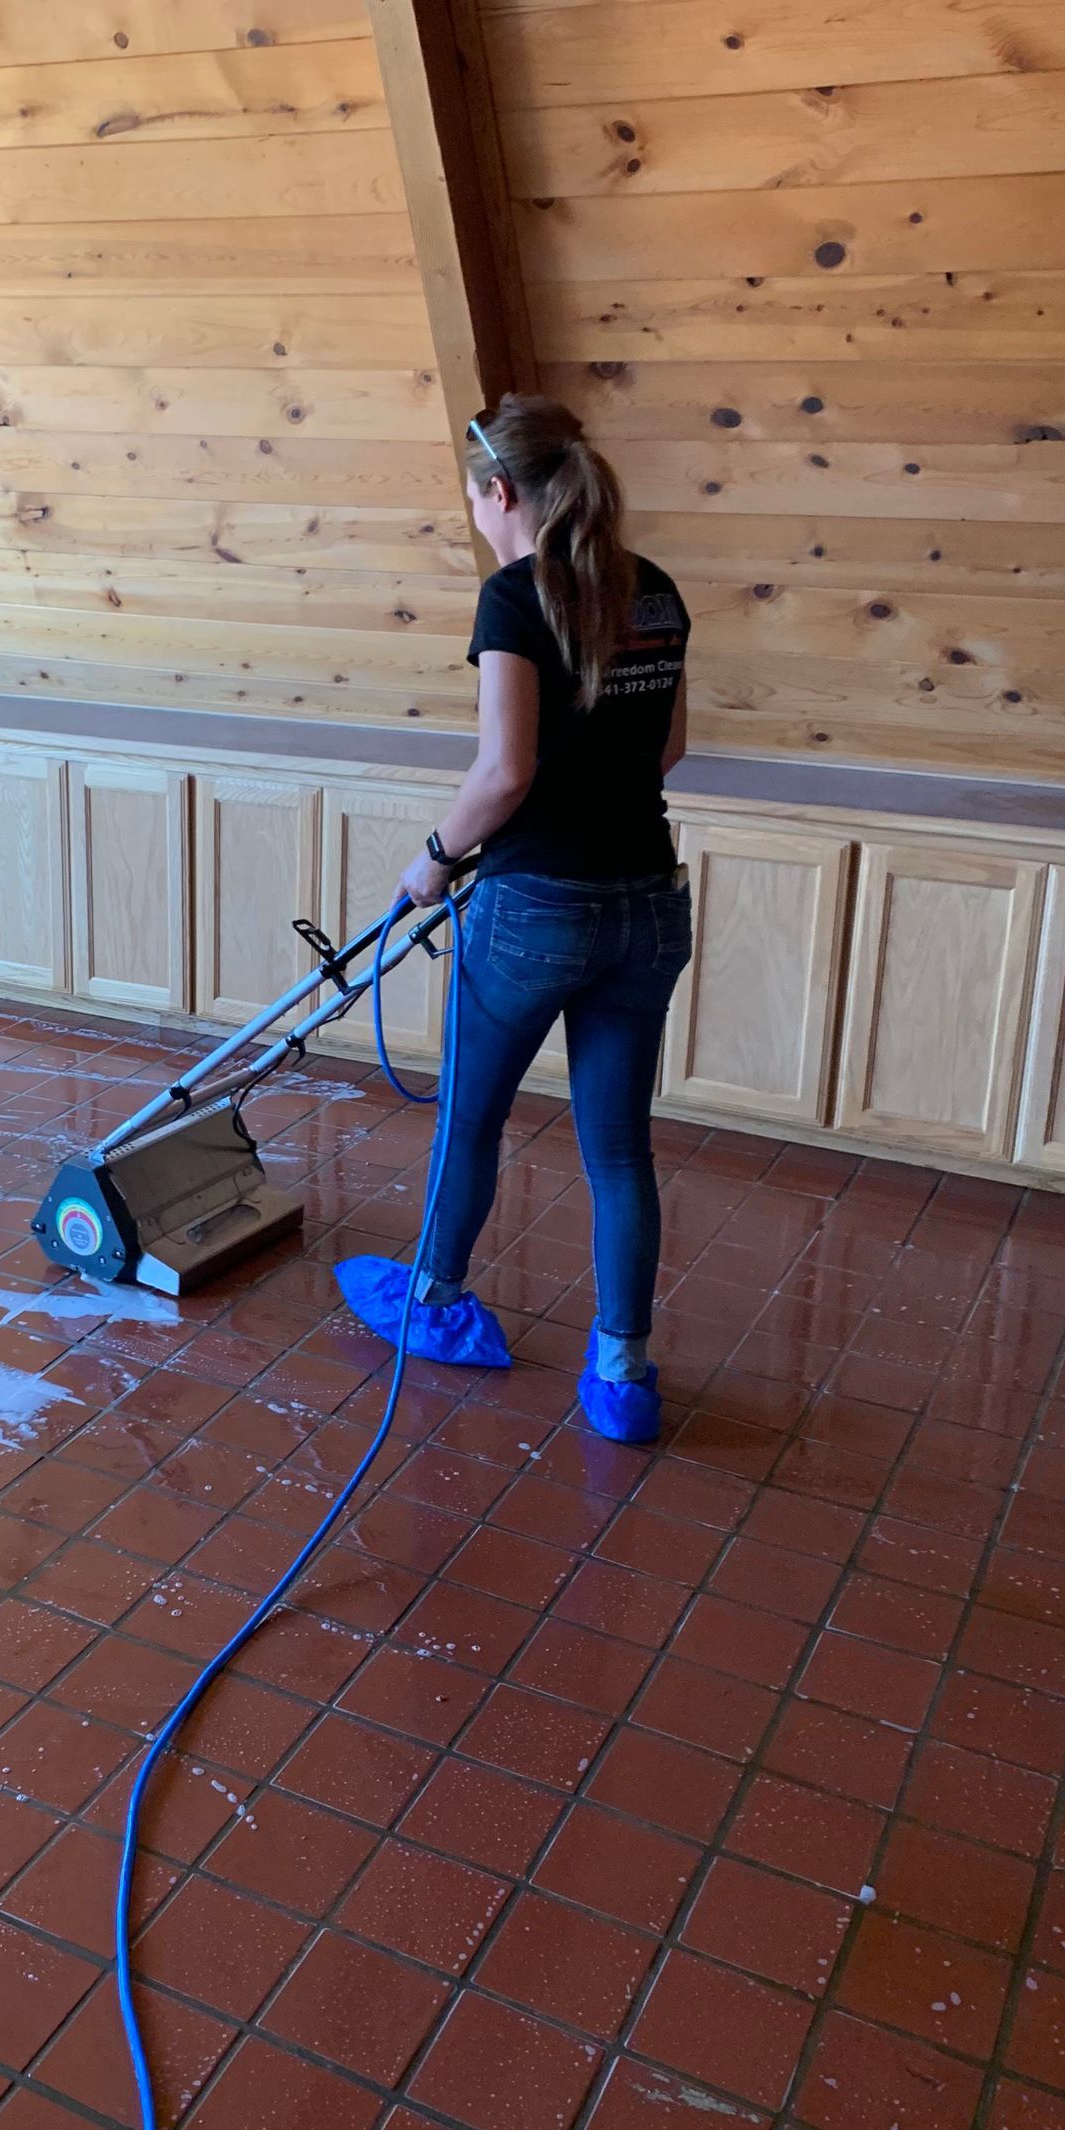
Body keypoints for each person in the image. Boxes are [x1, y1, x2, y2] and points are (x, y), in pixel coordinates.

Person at [396, 393, 693, 1445]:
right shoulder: (651, 591)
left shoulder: (514, 600)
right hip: (649, 905)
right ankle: (622, 1375)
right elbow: (664, 751)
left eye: (473, 495)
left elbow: (504, 771)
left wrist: (433, 863)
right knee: (619, 1150)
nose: (475, 512)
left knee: (470, 1119)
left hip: (534, 909)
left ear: (500, 490)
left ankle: (432, 1303)